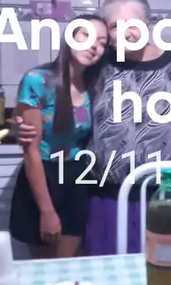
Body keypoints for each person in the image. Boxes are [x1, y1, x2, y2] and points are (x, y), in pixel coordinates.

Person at [15, 0, 171, 255]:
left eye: (132, 24)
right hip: (102, 195)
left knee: (159, 265)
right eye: (114, 26)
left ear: (149, 24)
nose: (125, 34)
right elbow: (58, 90)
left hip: (158, 195)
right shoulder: (99, 65)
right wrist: (19, 123)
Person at [9, 14, 108, 259]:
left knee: (67, 265)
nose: (94, 46)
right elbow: (31, 150)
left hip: (77, 180)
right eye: (87, 35)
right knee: (43, 270)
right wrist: (47, 211)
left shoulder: (95, 84)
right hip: (43, 177)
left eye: (102, 42)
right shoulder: (38, 80)